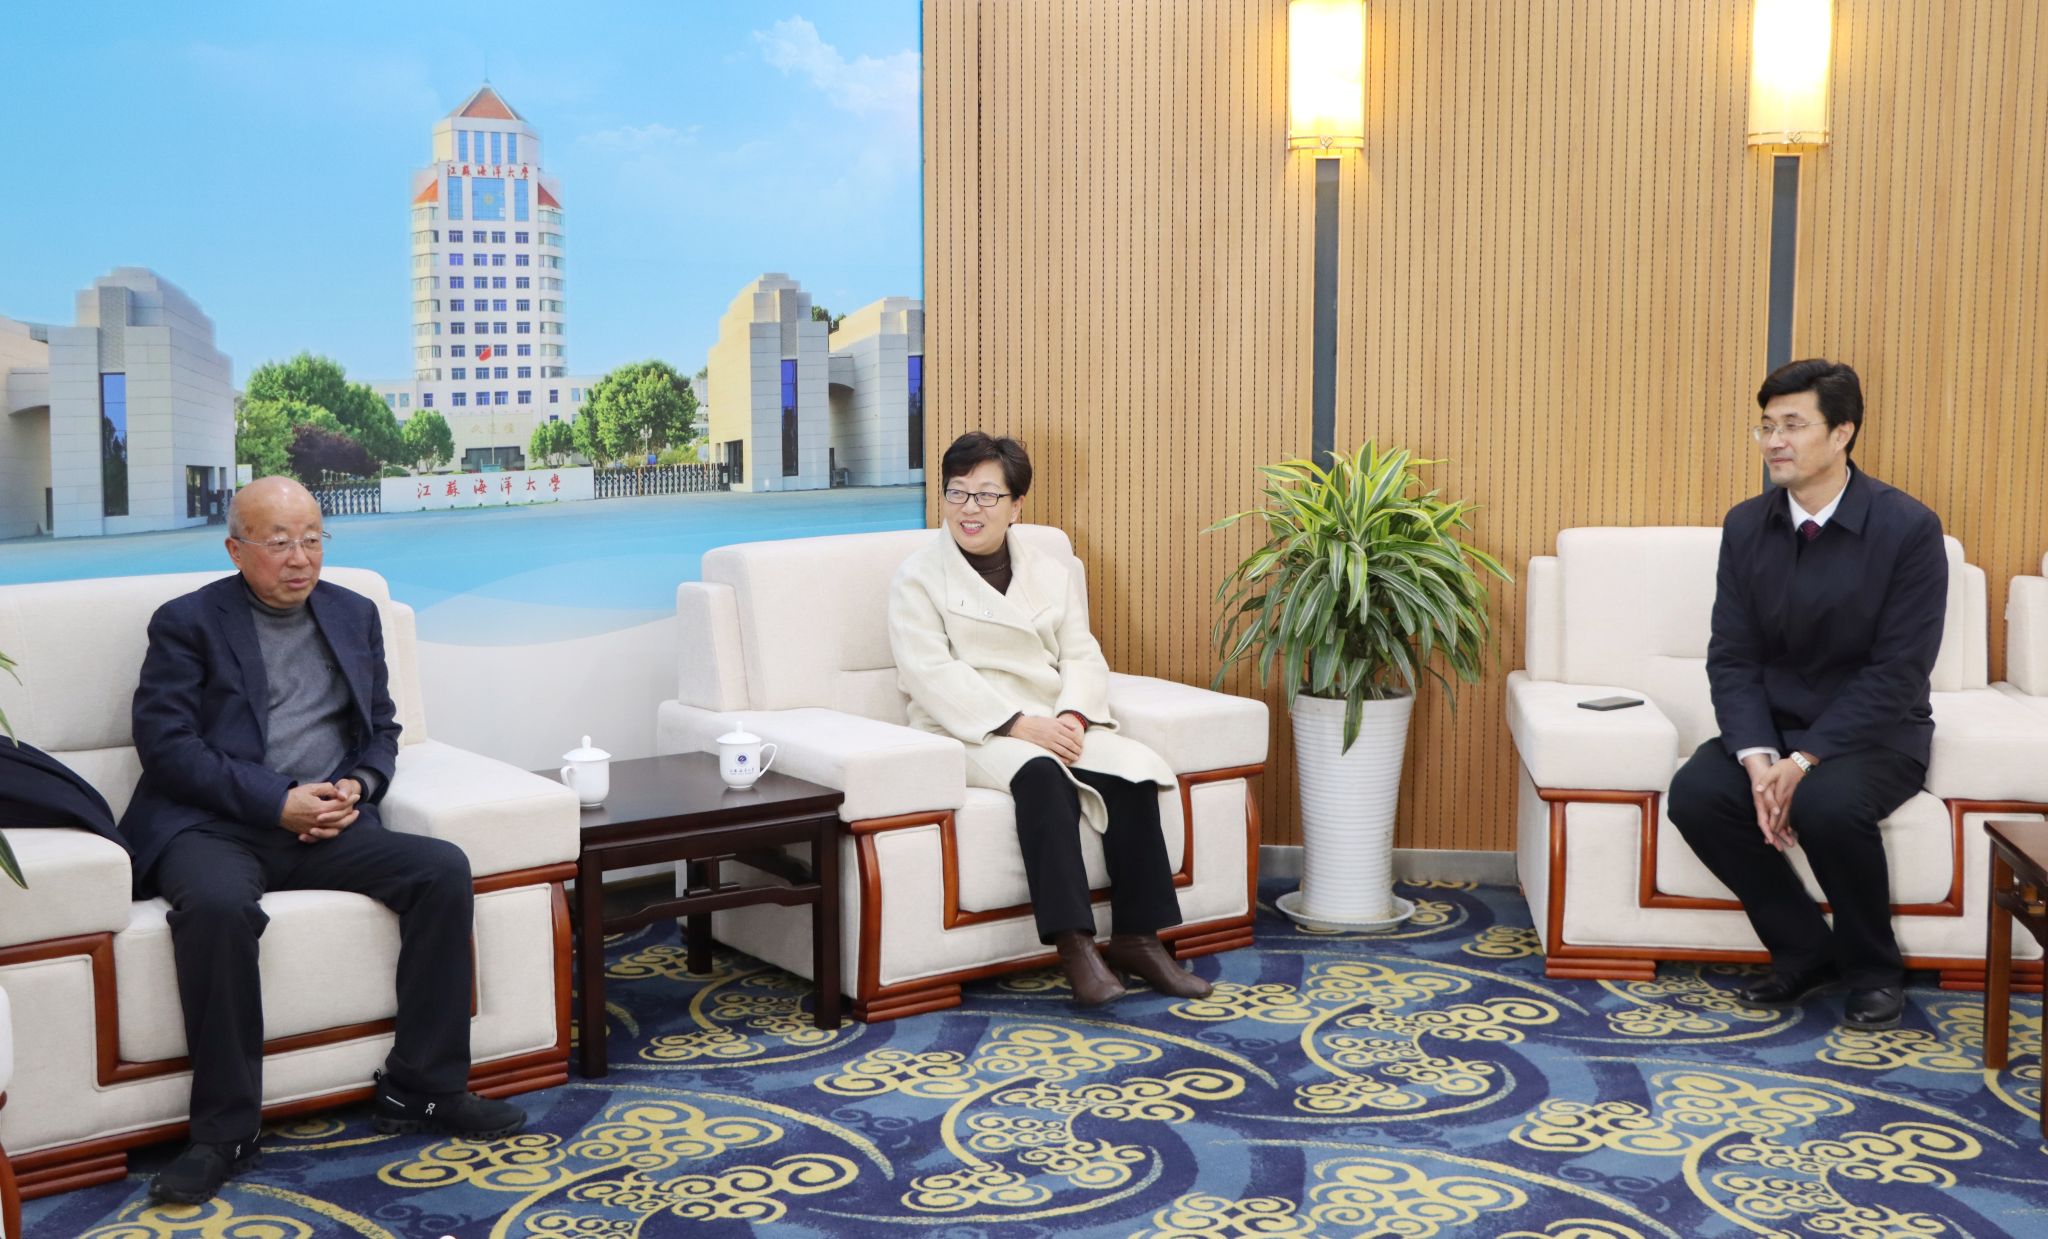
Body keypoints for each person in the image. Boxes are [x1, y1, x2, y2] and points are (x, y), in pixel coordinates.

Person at [121, 476, 524, 1205]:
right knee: (216, 908)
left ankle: (422, 1086)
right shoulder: (187, 622)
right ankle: (224, 1132)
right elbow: (168, 747)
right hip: (215, 825)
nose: (300, 558)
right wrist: (276, 801)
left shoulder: (353, 612)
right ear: (236, 549)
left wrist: (359, 786)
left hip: (327, 821)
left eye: (312, 540)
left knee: (440, 869)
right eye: (279, 543)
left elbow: (382, 728)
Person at [1668, 360, 1946, 1032]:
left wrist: (1806, 760)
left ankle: (1873, 970)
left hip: (1876, 733)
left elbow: (1899, 669)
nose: (1774, 442)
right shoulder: (1746, 526)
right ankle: (1804, 950)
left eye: (1793, 425)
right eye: (1766, 426)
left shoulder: (1907, 527)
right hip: (1778, 726)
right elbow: (1733, 656)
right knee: (1697, 794)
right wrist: (1759, 757)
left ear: (1842, 432)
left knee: (1826, 804)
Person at [887, 432, 1212, 1007]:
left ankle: (1139, 939)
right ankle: (1076, 947)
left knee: (1133, 772)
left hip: (1052, 715)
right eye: (957, 492)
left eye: (987, 495)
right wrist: (1016, 724)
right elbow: (929, 674)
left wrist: (1074, 716)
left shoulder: (1049, 570)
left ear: (1016, 506)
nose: (969, 508)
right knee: (1040, 776)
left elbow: (1082, 654)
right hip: (968, 728)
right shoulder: (917, 576)